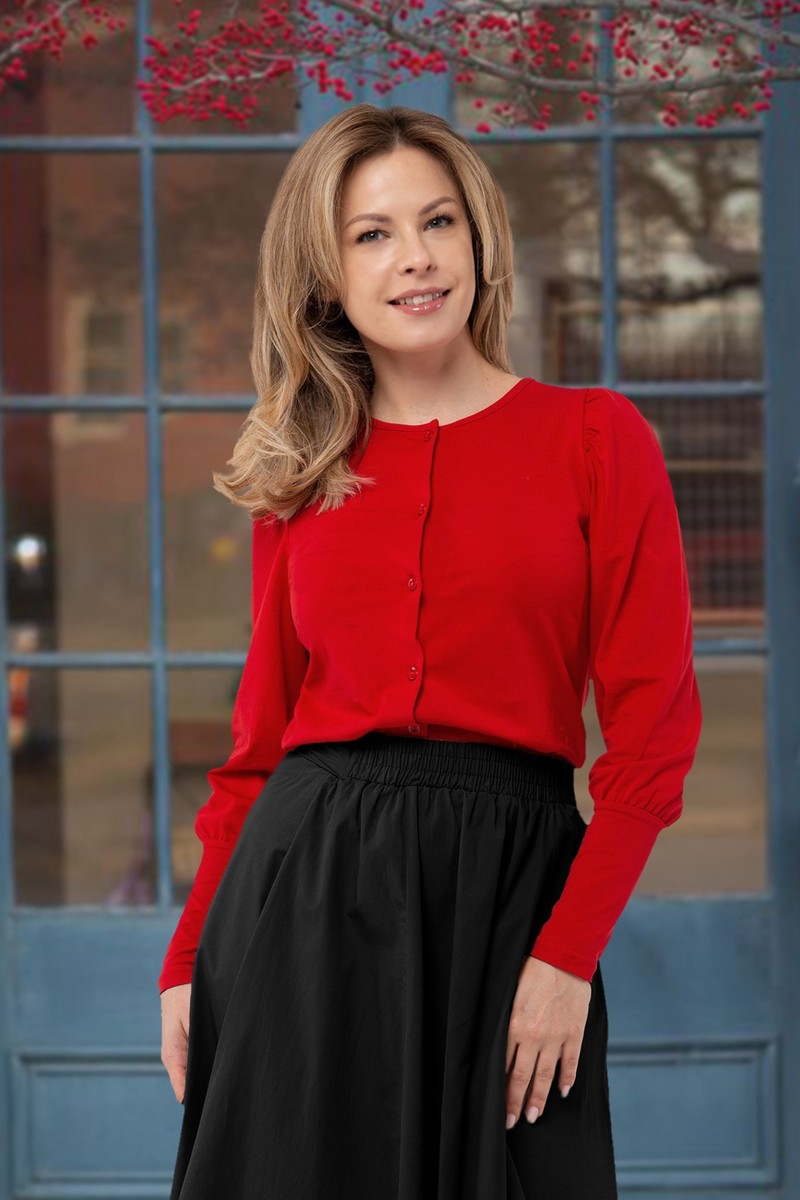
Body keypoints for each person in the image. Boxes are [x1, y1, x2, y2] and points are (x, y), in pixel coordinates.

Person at [159, 102, 702, 1200]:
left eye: (438, 221)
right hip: (303, 902)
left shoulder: (596, 439)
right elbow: (257, 749)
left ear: (479, 239)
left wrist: (566, 957)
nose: (415, 257)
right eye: (371, 233)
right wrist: (187, 957)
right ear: (325, 274)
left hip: (512, 899)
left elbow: (651, 738)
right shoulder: (302, 471)